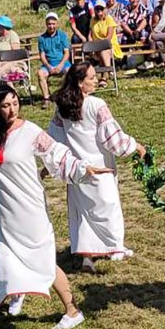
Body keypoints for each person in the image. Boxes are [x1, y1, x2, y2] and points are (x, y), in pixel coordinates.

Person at [0, 83, 111, 328]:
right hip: (5, 210)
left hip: (31, 208)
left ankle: (73, 310)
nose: (12, 109)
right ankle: (17, 294)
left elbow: (57, 155)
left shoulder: (30, 131)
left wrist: (82, 168)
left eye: (15, 103)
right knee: (9, 257)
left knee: (42, 260)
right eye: (5, 105)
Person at [49, 62, 145, 272]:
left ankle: (87, 258)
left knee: (84, 212)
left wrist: (55, 164)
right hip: (100, 167)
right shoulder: (96, 105)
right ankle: (115, 248)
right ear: (80, 82)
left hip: (77, 169)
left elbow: (55, 139)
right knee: (108, 208)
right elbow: (111, 137)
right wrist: (134, 145)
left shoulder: (62, 108)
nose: (96, 81)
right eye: (91, 78)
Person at [37, 12, 71, 108]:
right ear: (46, 24)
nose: (51, 26)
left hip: (62, 63)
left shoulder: (62, 35)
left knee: (69, 71)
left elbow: (67, 53)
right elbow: (42, 55)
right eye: (49, 24)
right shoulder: (42, 38)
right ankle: (46, 98)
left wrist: (60, 65)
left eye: (53, 24)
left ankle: (66, 94)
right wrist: (49, 66)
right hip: (49, 64)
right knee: (40, 73)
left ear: (57, 23)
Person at [89, 0, 123, 86]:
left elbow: (109, 37)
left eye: (101, 9)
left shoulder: (109, 19)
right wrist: (91, 45)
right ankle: (106, 76)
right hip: (96, 46)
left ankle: (107, 72)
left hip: (109, 45)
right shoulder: (92, 20)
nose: (99, 11)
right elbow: (90, 35)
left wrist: (99, 45)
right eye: (97, 9)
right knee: (101, 52)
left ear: (105, 9)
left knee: (103, 51)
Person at [0, 15, 26, 83]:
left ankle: (18, 75)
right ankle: (14, 79)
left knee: (1, 72)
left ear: (3, 26)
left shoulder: (12, 35)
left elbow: (16, 53)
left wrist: (3, 58)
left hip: (11, 61)